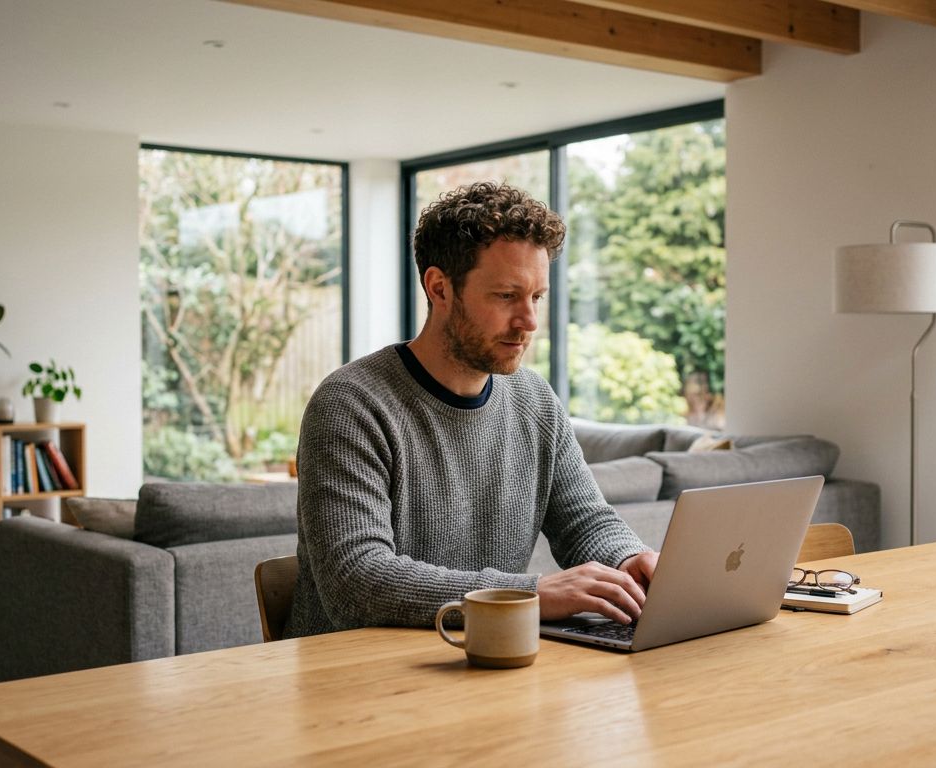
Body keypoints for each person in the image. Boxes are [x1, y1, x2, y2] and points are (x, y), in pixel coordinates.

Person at [282, 181, 659, 639]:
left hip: (486, 662)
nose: (530, 322)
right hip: (357, 682)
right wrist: (528, 594)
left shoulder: (535, 401)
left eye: (536, 297)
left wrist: (630, 559)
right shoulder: (351, 405)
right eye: (506, 296)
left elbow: (584, 520)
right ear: (440, 288)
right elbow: (357, 582)